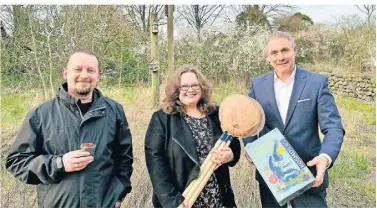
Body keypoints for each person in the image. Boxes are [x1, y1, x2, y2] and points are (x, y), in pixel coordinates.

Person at [5, 50, 133, 208]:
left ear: (98, 76)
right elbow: (16, 161)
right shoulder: (40, 115)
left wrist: (118, 195)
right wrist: (59, 163)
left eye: (91, 70)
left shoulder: (114, 111)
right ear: (66, 73)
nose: (84, 75)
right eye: (78, 69)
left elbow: (124, 158)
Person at [243, 31, 345, 207]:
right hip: (272, 174)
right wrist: (250, 146)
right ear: (267, 57)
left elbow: (333, 127)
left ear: (295, 51)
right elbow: (250, 121)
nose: (280, 57)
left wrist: (326, 157)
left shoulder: (316, 83)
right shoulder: (257, 85)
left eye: (285, 50)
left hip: (309, 172)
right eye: (274, 53)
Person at [145, 65, 241, 208]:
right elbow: (156, 164)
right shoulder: (162, 119)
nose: (190, 90)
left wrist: (230, 155)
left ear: (202, 88)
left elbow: (234, 143)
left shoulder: (216, 114)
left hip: (218, 199)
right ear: (176, 90)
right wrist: (172, 201)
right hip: (184, 200)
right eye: (184, 86)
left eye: (195, 85)